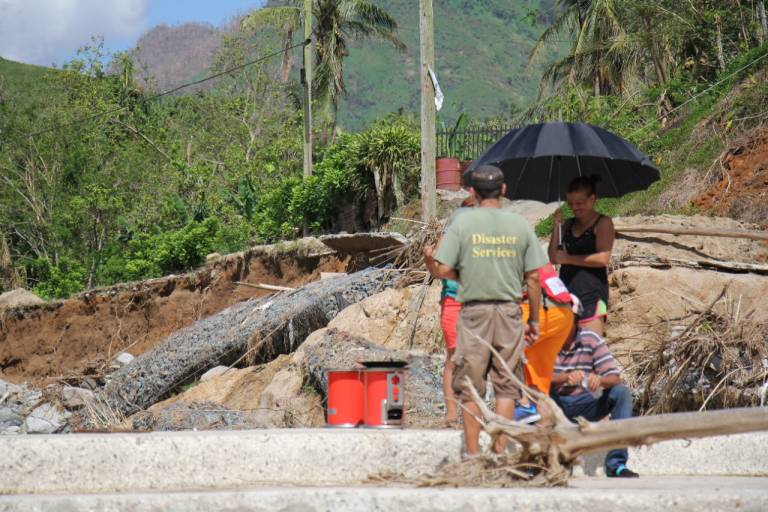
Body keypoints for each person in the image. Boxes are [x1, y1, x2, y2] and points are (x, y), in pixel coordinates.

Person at [424, 165, 548, 456]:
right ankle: (499, 450)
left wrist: (467, 276)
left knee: (470, 386)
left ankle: (472, 455)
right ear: (503, 190)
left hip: (474, 312)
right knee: (506, 387)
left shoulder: (462, 226)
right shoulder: (520, 226)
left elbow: (442, 269)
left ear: (473, 193)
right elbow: (534, 277)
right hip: (509, 311)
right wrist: (533, 319)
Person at [551, 324, 639, 478]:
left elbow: (614, 377)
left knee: (622, 393)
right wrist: (564, 378)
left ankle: (616, 464)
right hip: (555, 404)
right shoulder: (547, 339)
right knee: (541, 394)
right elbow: (535, 378)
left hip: (587, 403)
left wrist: (599, 380)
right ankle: (557, 461)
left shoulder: (590, 339)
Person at [549, 175, 615, 336]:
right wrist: (556, 227)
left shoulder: (603, 223)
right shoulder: (568, 224)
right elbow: (553, 256)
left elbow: (603, 258)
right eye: (570, 203)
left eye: (579, 203)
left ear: (592, 199)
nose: (574, 207)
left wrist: (568, 259)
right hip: (567, 290)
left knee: (591, 346)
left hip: (592, 292)